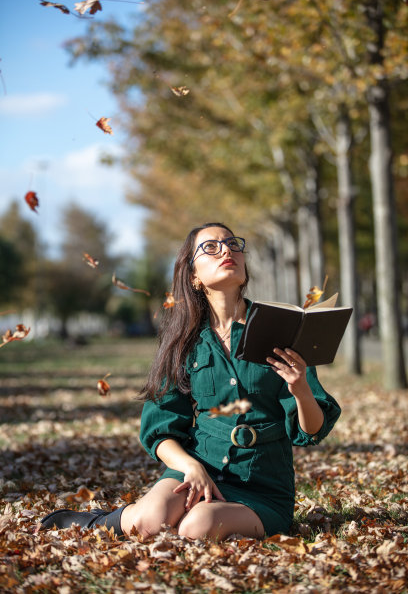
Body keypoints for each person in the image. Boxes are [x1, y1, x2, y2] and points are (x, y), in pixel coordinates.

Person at [41, 222, 341, 541]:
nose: (226, 250)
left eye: (233, 244)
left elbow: (311, 431)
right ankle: (100, 520)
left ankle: (203, 515)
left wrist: (301, 391)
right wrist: (190, 466)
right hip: (197, 468)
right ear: (194, 276)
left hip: (262, 486)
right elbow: (160, 430)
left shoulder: (281, 330)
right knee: (148, 522)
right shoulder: (183, 341)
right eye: (211, 247)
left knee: (197, 528)